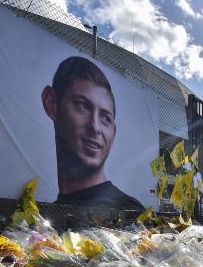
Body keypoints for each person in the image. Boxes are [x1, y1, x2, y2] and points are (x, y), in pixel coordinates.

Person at [41, 56, 145, 211]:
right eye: (83, 106)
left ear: (113, 133)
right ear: (51, 104)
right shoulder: (44, 216)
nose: (95, 127)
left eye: (105, 118)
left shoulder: (130, 212)